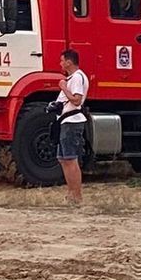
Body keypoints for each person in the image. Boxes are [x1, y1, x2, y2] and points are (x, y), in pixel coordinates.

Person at [55, 48, 89, 205]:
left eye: (62, 60)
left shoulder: (77, 78)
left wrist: (63, 87)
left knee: (71, 159)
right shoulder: (72, 78)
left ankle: (77, 195)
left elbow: (76, 100)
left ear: (69, 62)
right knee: (64, 159)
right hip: (65, 121)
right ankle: (71, 193)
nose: (60, 64)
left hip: (72, 122)